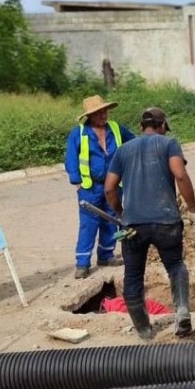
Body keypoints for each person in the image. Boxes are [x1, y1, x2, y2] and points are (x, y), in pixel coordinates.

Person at [105, 107, 195, 340]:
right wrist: (194, 210)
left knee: (133, 275)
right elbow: (179, 173)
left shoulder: (124, 150)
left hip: (133, 225)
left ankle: (144, 329)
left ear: (140, 127)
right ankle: (183, 312)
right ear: (163, 125)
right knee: (175, 265)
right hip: (167, 221)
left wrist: (121, 212)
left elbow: (109, 188)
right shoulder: (169, 144)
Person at [64, 95, 135, 279]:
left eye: (105, 111)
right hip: (90, 187)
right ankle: (82, 263)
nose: (103, 115)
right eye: (99, 112)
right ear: (90, 115)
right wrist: (76, 181)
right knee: (88, 224)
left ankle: (106, 256)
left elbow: (134, 143)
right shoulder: (78, 133)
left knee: (111, 221)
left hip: (114, 185)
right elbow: (71, 158)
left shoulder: (116, 128)